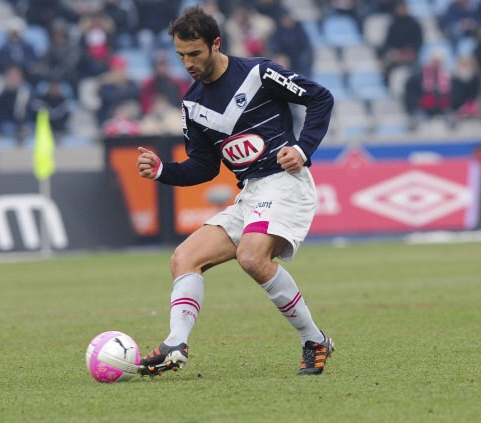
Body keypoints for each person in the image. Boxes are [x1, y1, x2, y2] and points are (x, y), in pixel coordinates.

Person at [136, 5, 335, 377]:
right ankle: (175, 344)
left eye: (195, 53)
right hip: (251, 194)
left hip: (284, 182)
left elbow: (320, 97)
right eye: (181, 55)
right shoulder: (192, 103)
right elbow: (205, 166)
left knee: (252, 257)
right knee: (184, 258)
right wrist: (163, 170)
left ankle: (314, 340)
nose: (188, 63)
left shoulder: (259, 73)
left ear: (216, 44)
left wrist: (302, 148)